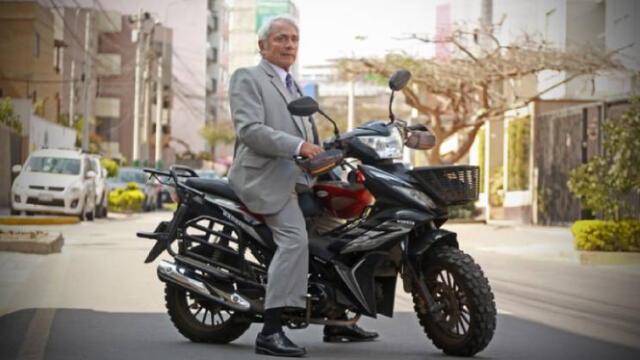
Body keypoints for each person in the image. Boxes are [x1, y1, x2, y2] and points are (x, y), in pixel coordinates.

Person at [227, 15, 377, 358]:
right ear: (262, 46)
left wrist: (337, 146)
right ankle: (271, 330)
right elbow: (249, 129)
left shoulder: (294, 85)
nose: (289, 45)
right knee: (295, 240)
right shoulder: (248, 77)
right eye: (280, 38)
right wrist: (298, 147)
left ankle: (336, 317)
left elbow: (309, 138)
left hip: (301, 179)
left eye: (294, 39)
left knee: (341, 236)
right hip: (265, 178)